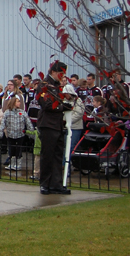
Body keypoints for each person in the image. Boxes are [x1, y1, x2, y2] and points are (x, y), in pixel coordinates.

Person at [36, 60, 72, 195]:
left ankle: (55, 184)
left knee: (57, 155)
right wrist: (63, 107)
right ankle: (45, 183)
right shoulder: (44, 85)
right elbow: (47, 105)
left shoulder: (58, 86)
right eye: (60, 73)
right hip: (48, 124)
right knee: (47, 155)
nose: (62, 76)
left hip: (57, 124)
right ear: (53, 72)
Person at [0, 95, 33, 171]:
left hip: (20, 134)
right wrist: (0, 132)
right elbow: (3, 123)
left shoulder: (22, 112)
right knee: (11, 149)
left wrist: (31, 132)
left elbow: (28, 122)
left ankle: (18, 164)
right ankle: (12, 163)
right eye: (17, 101)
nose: (19, 103)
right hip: (10, 134)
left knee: (19, 149)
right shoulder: (7, 113)